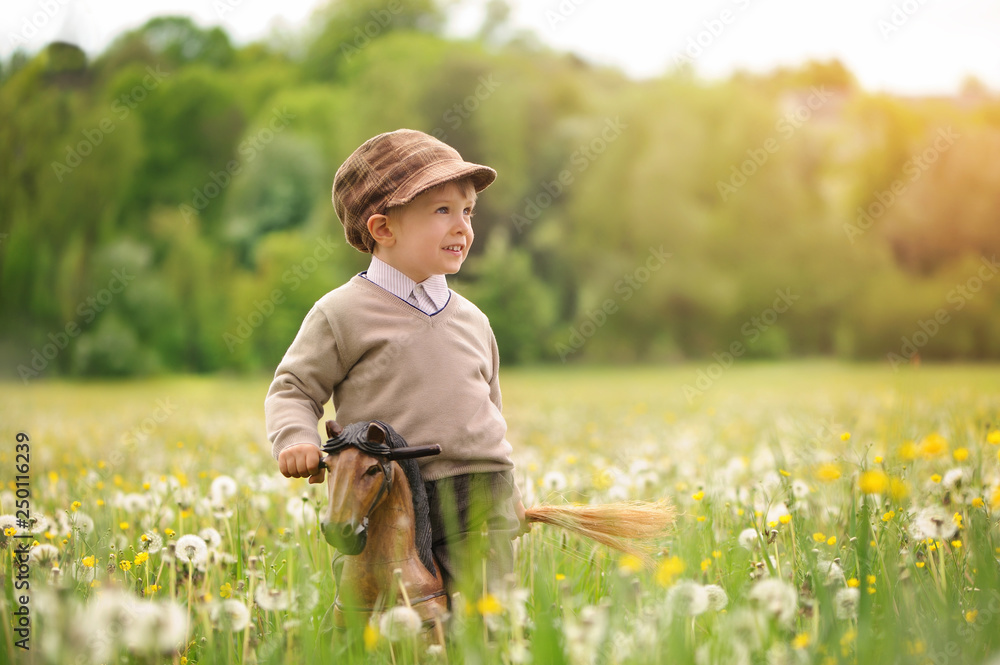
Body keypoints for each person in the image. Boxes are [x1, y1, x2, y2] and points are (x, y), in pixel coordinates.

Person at [264, 128, 527, 599]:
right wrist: (297, 439)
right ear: (384, 229)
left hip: (483, 493)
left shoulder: (474, 319)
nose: (463, 226)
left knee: (485, 620)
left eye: (467, 210)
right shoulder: (342, 313)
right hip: (388, 497)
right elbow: (294, 389)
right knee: (392, 617)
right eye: (442, 210)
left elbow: (491, 413)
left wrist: (512, 494)